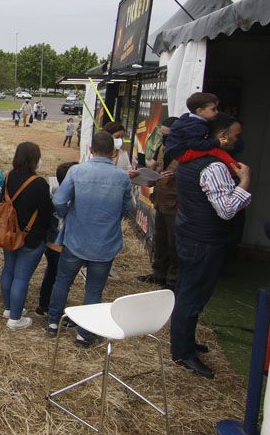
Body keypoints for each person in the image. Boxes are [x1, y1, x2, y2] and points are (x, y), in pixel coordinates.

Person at [170, 113, 252, 379]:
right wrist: (244, 183)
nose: (239, 140)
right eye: (236, 135)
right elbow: (226, 210)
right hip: (203, 241)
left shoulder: (189, 160)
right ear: (222, 136)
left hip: (191, 235)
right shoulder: (214, 166)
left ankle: (185, 342)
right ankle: (182, 351)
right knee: (191, 297)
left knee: (187, 292)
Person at [46, 131, 133, 346]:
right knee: (94, 289)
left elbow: (58, 199)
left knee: (63, 281)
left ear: (90, 150)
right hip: (105, 242)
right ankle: (84, 334)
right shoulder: (122, 176)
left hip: (75, 238)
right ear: (113, 152)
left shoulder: (77, 171)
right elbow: (128, 208)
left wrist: (67, 215)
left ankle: (53, 323)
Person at [0, 142, 55, 330]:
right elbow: (47, 212)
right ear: (34, 159)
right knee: (21, 277)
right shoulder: (38, 183)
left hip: (9, 234)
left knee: (8, 270)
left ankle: (9, 308)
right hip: (32, 238)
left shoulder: (8, 177)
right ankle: (15, 318)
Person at [138, 117, 179, 287]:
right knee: (160, 238)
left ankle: (173, 279)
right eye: (162, 135)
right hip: (161, 200)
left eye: (167, 135)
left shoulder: (186, 152)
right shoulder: (162, 147)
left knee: (174, 242)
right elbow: (154, 166)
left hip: (176, 204)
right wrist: (148, 176)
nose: (164, 139)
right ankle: (158, 273)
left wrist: (178, 176)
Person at [35, 162, 77, 317]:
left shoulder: (54, 192)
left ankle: (43, 304)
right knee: (62, 279)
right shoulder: (73, 199)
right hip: (64, 244)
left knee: (51, 273)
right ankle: (54, 310)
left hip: (51, 242)